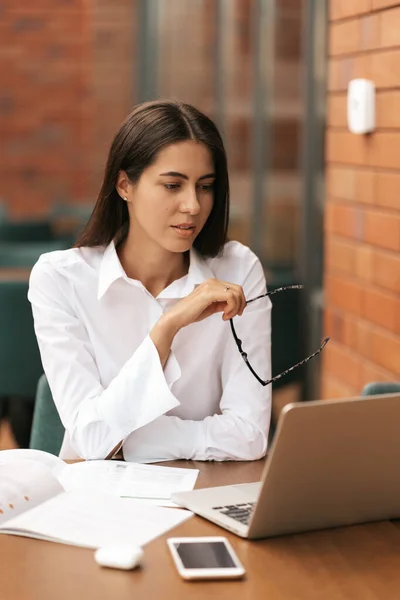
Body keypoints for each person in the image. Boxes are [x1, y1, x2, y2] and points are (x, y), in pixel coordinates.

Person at [28, 100, 272, 462]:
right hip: (96, 501)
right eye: (173, 185)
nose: (192, 205)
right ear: (125, 185)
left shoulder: (239, 269)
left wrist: (128, 440)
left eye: (205, 186)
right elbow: (94, 440)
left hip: (205, 489)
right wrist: (168, 327)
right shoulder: (60, 279)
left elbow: (250, 436)